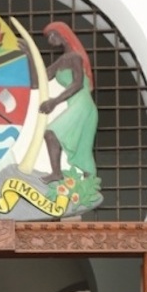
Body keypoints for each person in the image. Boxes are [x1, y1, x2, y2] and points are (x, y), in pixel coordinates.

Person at [37, 21, 99, 184]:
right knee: (83, 149)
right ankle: (85, 183)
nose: (50, 40)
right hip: (76, 104)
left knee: (50, 133)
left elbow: (77, 84)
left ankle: (57, 174)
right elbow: (40, 79)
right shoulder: (62, 60)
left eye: (52, 35)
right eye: (48, 37)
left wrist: (54, 102)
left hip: (83, 104)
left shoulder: (75, 57)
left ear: (63, 35)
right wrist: (28, 56)